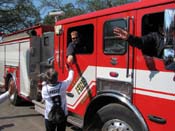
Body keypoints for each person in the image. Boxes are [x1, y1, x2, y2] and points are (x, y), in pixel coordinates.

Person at [41, 66, 74, 131]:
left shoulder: (45, 89)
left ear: (48, 79)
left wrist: (45, 83)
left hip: (49, 116)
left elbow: (43, 98)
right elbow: (70, 78)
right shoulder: (63, 85)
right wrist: (70, 70)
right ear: (57, 77)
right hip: (63, 114)